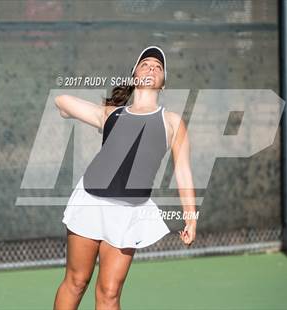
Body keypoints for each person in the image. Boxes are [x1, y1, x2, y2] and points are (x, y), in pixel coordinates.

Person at [53, 45, 197, 310]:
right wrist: (65, 110)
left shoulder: (173, 122)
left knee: (109, 292)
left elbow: (184, 171)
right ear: (134, 75)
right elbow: (61, 100)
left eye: (158, 67)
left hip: (129, 213)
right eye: (145, 64)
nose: (152, 68)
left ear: (163, 83)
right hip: (90, 202)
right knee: (77, 281)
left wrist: (190, 217)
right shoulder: (112, 113)